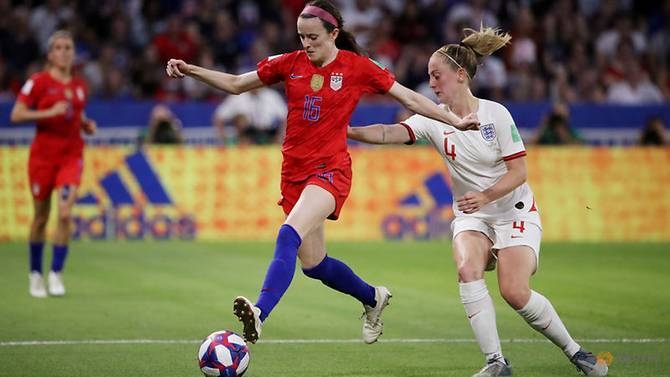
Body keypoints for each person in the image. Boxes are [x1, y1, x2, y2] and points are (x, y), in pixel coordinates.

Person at [165, 0, 478, 345]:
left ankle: (259, 311)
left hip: (330, 171)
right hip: (293, 173)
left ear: (333, 34)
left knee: (288, 234)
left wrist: (454, 120)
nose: (307, 44)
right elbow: (238, 84)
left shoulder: (358, 67)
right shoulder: (290, 63)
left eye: (313, 37)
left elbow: (410, 99)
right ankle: (373, 297)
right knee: (314, 265)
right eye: (302, 37)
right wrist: (191, 70)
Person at [348, 26, 609, 377]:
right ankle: (496, 363)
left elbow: (519, 172)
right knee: (467, 269)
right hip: (474, 218)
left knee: (514, 292)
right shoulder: (432, 119)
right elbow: (387, 132)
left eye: (436, 75)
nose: (432, 83)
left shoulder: (495, 115)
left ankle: (576, 352)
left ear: (460, 75)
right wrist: (345, 130)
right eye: (428, 77)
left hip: (513, 212)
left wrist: (485, 196)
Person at [10, 30, 97, 298]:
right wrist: (49, 112)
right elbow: (16, 114)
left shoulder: (80, 86)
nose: (64, 52)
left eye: (68, 47)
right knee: (40, 217)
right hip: (43, 158)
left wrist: (85, 123)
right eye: (58, 48)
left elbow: (75, 113)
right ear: (50, 54)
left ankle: (56, 273)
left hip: (71, 157)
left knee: (66, 213)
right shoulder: (37, 82)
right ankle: (36, 273)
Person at [212, 87, 287, 146]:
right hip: (246, 135)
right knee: (241, 118)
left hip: (269, 133)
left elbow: (286, 117)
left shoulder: (271, 96)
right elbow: (218, 117)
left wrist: (282, 136)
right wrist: (224, 139)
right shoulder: (237, 97)